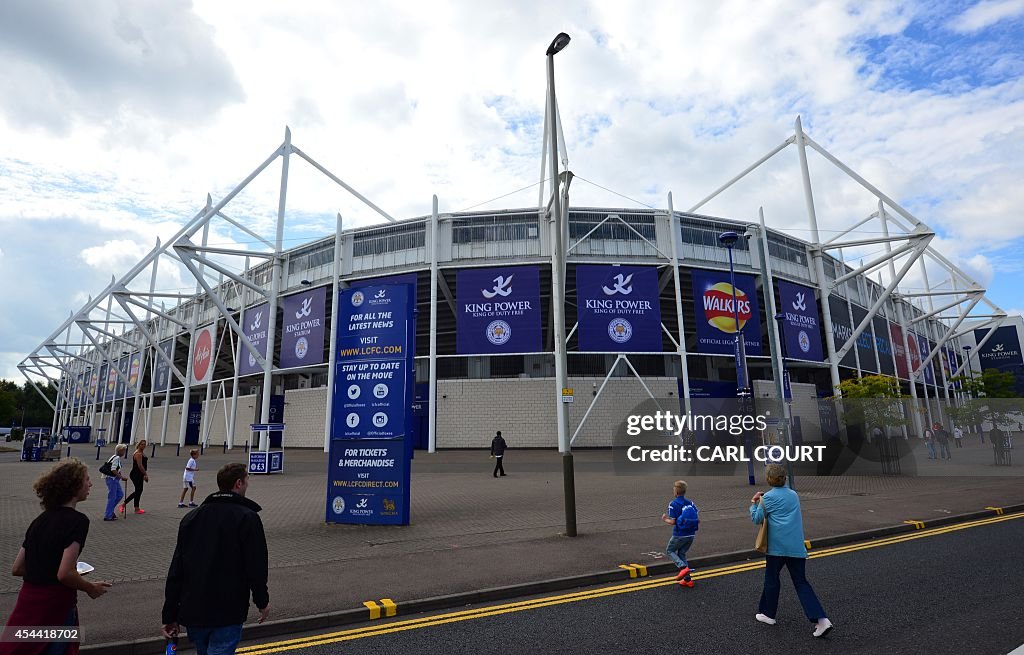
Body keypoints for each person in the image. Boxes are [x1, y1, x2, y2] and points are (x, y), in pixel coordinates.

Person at [0, 460, 112, 655]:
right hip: (56, 606)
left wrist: (48, 569)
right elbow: (64, 574)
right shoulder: (77, 521)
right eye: (87, 479)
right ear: (74, 484)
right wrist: (90, 587)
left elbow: (17, 568)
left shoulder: (40, 521)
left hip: (28, 604)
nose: (91, 484)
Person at [162, 464, 269, 655]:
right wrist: (262, 601)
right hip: (228, 609)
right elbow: (256, 566)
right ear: (238, 483)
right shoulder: (247, 518)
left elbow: (177, 570)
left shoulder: (191, 518)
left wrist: (170, 614)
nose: (247, 485)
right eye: (247, 481)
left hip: (195, 609)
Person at [750, 463, 833, 638]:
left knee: (772, 580)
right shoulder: (794, 495)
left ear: (768, 479)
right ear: (784, 478)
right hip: (796, 547)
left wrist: (754, 503)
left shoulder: (768, 498)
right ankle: (821, 619)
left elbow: (757, 519)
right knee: (801, 582)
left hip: (776, 548)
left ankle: (768, 614)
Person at [660, 480, 699, 587]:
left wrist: (664, 519)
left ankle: (683, 567)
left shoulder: (673, 504)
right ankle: (688, 580)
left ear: (676, 491)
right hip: (691, 534)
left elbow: (672, 522)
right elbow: (697, 517)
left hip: (679, 534)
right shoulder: (690, 503)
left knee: (669, 550)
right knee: (681, 553)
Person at [120, 440, 149, 515]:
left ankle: (135, 507)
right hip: (136, 474)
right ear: (138, 445)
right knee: (138, 490)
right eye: (142, 444)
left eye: (144, 444)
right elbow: (140, 466)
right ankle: (127, 505)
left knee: (139, 490)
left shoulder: (141, 453)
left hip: (139, 474)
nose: (143, 446)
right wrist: (145, 474)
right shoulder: (138, 454)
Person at [102, 445, 128, 521]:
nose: (124, 452)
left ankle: (110, 511)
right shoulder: (116, 458)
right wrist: (121, 477)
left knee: (120, 494)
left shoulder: (114, 457)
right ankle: (108, 515)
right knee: (112, 497)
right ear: (120, 451)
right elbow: (113, 469)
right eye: (124, 451)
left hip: (113, 479)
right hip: (112, 479)